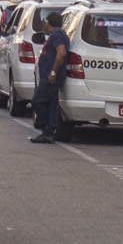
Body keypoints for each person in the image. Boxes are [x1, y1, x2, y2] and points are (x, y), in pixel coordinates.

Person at [30, 10, 70, 144]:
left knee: (37, 101)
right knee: (52, 104)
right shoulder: (57, 34)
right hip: (49, 75)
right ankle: (48, 133)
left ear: (48, 22)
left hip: (51, 76)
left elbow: (61, 53)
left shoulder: (57, 34)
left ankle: (48, 127)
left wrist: (53, 73)